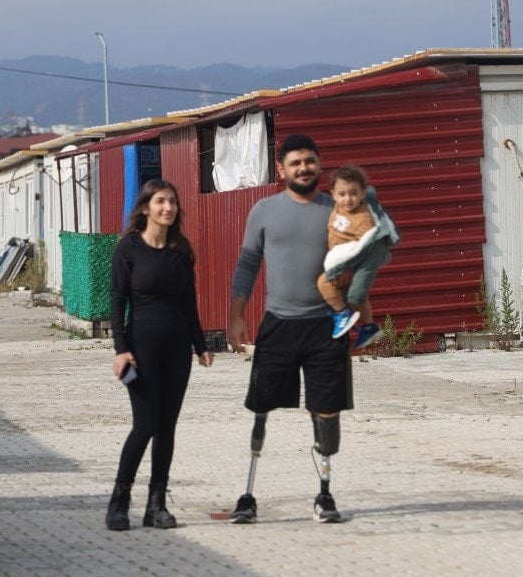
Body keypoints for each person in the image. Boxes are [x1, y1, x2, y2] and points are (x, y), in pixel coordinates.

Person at [227, 133, 353, 524]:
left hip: (326, 327)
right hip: (278, 325)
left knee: (326, 413)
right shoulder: (264, 211)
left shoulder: (338, 211)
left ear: (319, 164)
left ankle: (325, 495)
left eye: (309, 161)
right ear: (281, 170)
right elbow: (248, 264)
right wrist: (236, 316)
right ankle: (248, 495)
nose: (304, 168)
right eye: (295, 162)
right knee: (261, 408)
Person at [107, 179, 214, 531]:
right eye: (160, 201)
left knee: (166, 427)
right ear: (145, 208)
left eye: (172, 202)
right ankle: (119, 501)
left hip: (177, 350)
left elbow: (188, 303)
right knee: (145, 425)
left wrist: (200, 345)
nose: (168, 207)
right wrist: (121, 349)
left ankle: (157, 505)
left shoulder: (180, 251)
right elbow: (117, 300)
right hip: (140, 350)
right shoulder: (128, 248)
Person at [317, 164, 399, 350]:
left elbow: (367, 249)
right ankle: (369, 326)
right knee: (358, 299)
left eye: (353, 193)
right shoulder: (339, 208)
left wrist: (352, 270)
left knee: (324, 284)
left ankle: (342, 314)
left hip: (347, 264)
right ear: (333, 194)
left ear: (362, 193)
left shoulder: (363, 220)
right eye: (342, 194)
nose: (347, 199)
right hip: (339, 258)